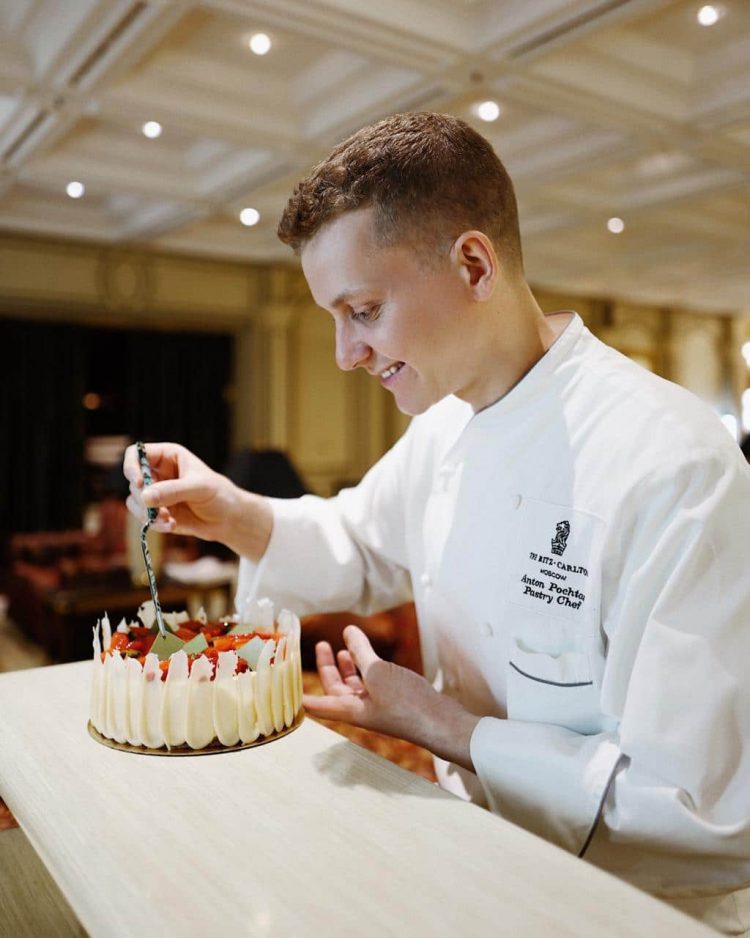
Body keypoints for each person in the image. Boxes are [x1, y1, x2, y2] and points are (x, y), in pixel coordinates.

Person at [124, 112, 750, 934]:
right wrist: (230, 512)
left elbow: (700, 814)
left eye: (365, 309)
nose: (347, 352)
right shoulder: (445, 425)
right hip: (477, 862)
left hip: (635, 908)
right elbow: (361, 541)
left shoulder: (675, 463)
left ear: (473, 263)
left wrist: (444, 727)